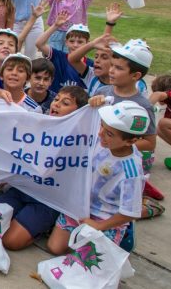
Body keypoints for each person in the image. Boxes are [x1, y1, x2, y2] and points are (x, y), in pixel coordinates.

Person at [47, 101, 149, 254]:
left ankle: (127, 231)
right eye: (102, 126)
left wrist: (99, 226)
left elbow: (129, 212)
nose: (101, 133)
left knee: (86, 260)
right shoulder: (101, 140)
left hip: (106, 217)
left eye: (109, 134)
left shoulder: (131, 172)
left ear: (131, 141)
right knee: (55, 248)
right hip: (80, 206)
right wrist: (96, 102)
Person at [0, 85, 88, 250]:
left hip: (48, 200)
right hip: (22, 189)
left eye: (65, 103)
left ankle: (42, 228)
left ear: (78, 112)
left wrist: (94, 106)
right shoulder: (38, 124)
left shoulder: (81, 138)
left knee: (11, 241)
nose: (56, 104)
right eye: (56, 99)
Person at [89, 39, 163, 206]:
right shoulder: (102, 92)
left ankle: (146, 204)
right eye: (112, 65)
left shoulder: (142, 106)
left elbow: (149, 142)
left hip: (120, 161)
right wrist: (91, 103)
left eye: (119, 68)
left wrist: (116, 145)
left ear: (135, 76)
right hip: (99, 155)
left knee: (117, 199)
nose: (111, 70)